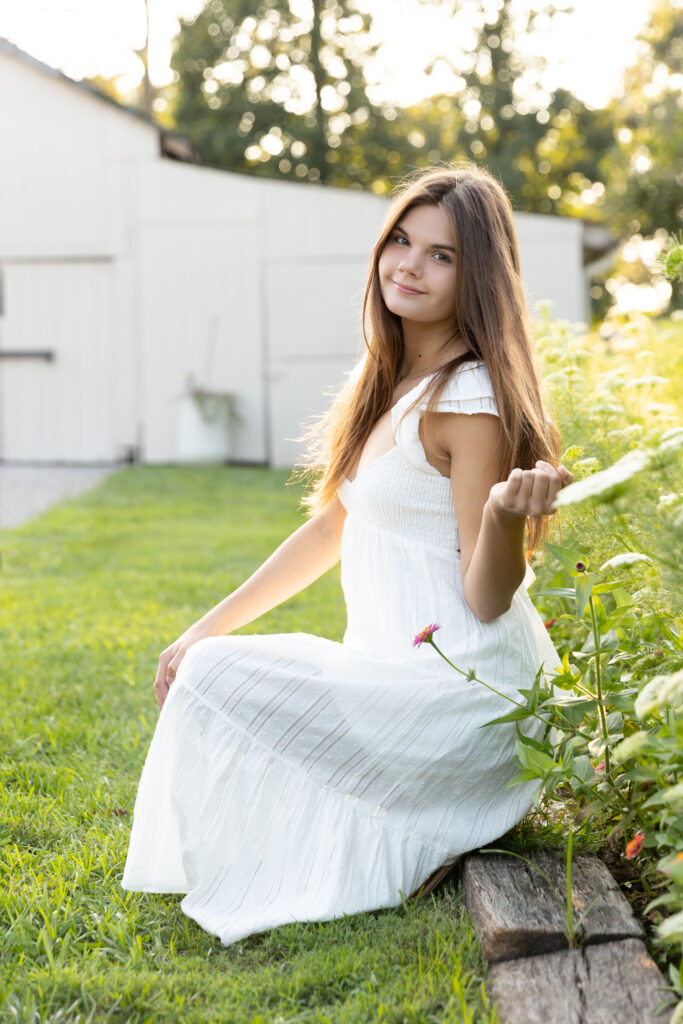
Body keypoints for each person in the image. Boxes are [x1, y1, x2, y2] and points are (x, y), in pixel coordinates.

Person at [121, 162, 573, 947]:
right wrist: (203, 627)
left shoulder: (466, 401)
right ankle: (413, 817)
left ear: (478, 277)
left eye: (441, 254)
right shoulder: (393, 378)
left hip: (465, 698)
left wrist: (501, 517)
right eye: (400, 240)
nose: (408, 264)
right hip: (394, 676)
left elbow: (487, 599)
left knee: (222, 678)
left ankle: (432, 813)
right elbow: (332, 528)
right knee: (208, 662)